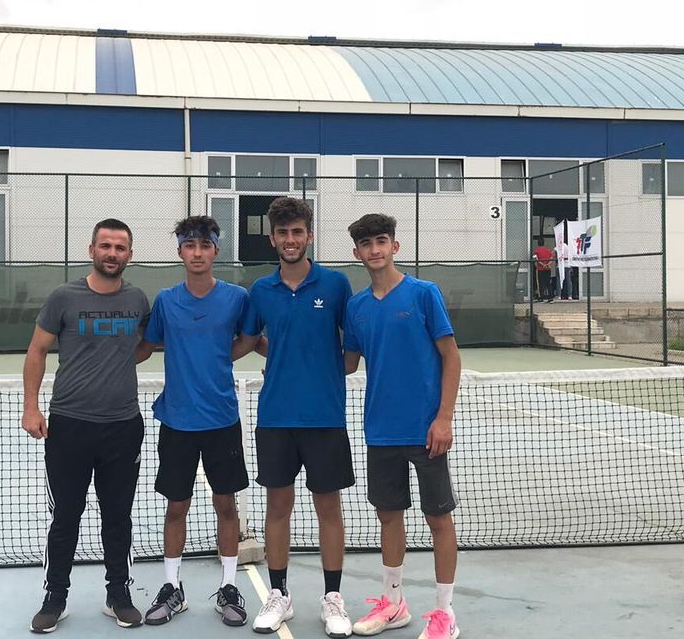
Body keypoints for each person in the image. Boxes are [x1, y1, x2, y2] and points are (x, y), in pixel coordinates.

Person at [230, 197, 355, 637]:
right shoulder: (261, 290)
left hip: (325, 417)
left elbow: (352, 349)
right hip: (276, 418)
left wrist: (324, 366)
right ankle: (279, 595)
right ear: (272, 239)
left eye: (297, 231)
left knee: (329, 509)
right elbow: (251, 340)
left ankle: (333, 598)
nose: (290, 239)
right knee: (277, 508)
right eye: (282, 233)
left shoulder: (336, 285)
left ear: (309, 235)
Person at [22, 218, 150, 633]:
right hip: (69, 427)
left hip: (122, 427)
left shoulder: (137, 300)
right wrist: (30, 407)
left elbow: (144, 346)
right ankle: (54, 598)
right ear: (91, 250)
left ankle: (119, 595)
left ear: (129, 255)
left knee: (118, 516)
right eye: (105, 246)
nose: (112, 253)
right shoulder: (64, 297)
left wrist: (114, 361)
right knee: (66, 517)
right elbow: (37, 350)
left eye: (120, 248)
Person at [341, 214, 462, 639]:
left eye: (381, 241)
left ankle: (445, 613)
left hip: (427, 432)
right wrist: (289, 358)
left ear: (394, 246)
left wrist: (443, 418)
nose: (374, 249)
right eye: (366, 244)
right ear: (356, 253)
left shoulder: (424, 294)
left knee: (438, 519)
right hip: (381, 432)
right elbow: (347, 363)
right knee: (389, 517)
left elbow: (451, 356)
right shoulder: (356, 307)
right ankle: (393, 604)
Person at [135, 215, 254, 628]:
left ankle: (228, 587)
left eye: (205, 245)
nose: (197, 253)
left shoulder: (237, 298)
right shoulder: (167, 300)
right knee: (176, 507)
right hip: (177, 421)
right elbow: (147, 345)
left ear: (216, 251)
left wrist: (219, 358)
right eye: (190, 245)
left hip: (222, 420)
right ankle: (173, 588)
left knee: (226, 505)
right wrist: (100, 360)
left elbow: (250, 339)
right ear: (180, 252)